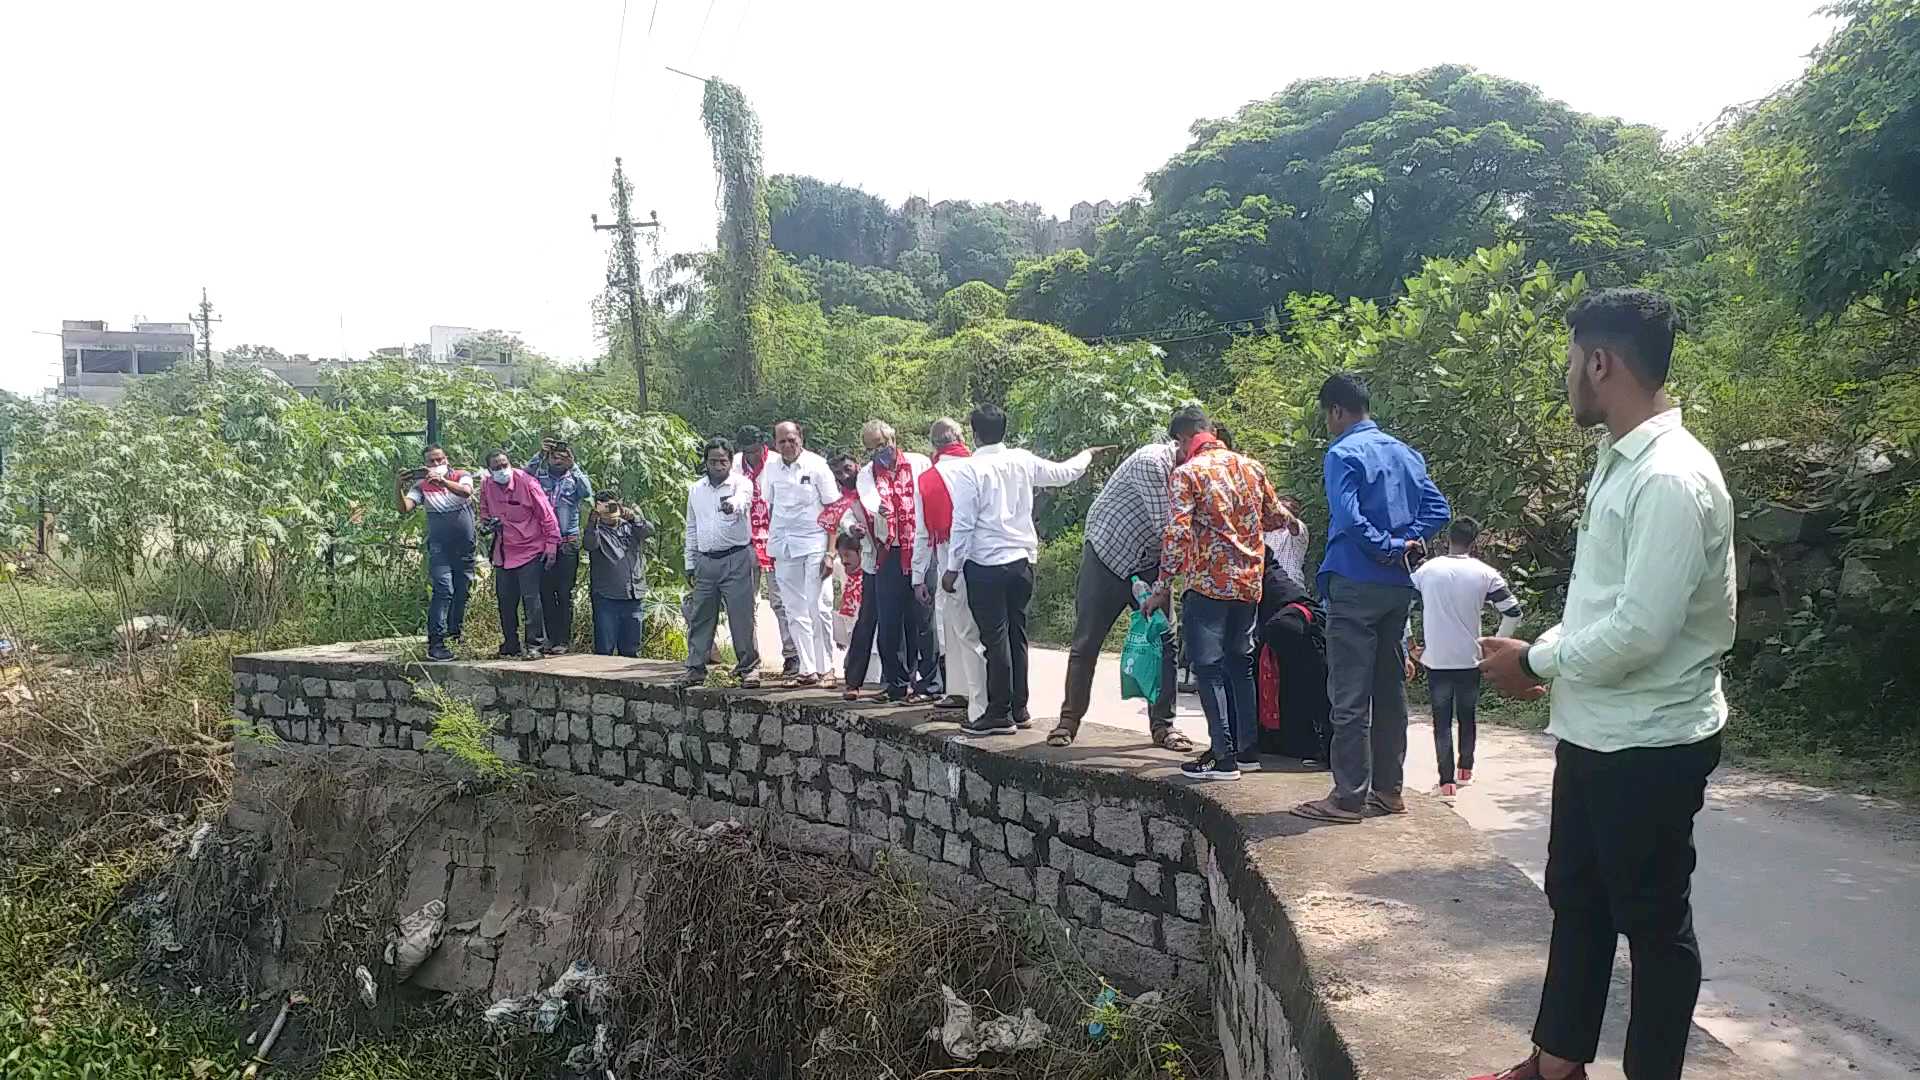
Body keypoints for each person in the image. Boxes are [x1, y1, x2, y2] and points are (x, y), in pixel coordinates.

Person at [1469, 289, 1733, 1080]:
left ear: (1599, 362)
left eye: (1571, 361)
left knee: (1653, 924)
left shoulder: (1669, 479)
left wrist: (1539, 663)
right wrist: (1540, 657)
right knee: (1577, 901)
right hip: (1595, 730)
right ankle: (1557, 1064)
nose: (1568, 378)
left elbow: (1643, 630)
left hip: (1651, 742)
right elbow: (1601, 604)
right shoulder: (1620, 465)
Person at [1292, 373, 1451, 824]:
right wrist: (1407, 543)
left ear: (1337, 411)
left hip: (1355, 580)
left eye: (1328, 414)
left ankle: (1347, 797)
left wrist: (1384, 545)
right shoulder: (1405, 452)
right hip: (1398, 587)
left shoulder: (1342, 453)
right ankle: (1389, 791)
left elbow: (1347, 516)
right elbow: (1439, 510)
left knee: (1349, 694)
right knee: (1390, 690)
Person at [1142, 418, 1298, 780]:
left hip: (1208, 585)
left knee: (1208, 668)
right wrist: (1284, 521)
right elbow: (1273, 516)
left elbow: (1178, 532)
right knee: (1239, 666)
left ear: (1185, 440)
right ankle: (1247, 752)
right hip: (1247, 584)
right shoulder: (1252, 467)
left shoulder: (1187, 474)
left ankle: (1222, 756)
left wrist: (1163, 583)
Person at [1054, 406, 1213, 750]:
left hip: (1152, 562)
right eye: (1197, 447)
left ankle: (1164, 726)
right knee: (1087, 641)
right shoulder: (1152, 463)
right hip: (1109, 555)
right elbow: (1169, 528)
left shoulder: (1201, 473)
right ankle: (1068, 721)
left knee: (1165, 642)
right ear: (1182, 441)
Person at [944, 404, 1100, 736]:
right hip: (1020, 561)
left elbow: (963, 523)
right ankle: (1019, 707)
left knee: (994, 638)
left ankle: (998, 711)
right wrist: (1086, 455)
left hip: (985, 563)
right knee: (1017, 634)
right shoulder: (1022, 460)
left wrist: (952, 567)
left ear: (974, 433)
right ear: (1004, 430)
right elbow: (1063, 473)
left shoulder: (969, 470)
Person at [1409, 516, 1525, 795]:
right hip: (1471, 657)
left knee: (1441, 721)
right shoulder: (1486, 573)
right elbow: (1513, 611)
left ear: (1449, 538)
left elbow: (1403, 607)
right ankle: (1466, 770)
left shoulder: (1426, 571)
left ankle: (1446, 781)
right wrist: (1496, 645)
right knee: (1467, 716)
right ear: (1473, 542)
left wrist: (1411, 644)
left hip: (1436, 658)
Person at [858, 420, 941, 703]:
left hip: (921, 547)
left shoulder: (918, 464)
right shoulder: (868, 474)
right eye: (873, 448)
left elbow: (932, 493)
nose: (881, 452)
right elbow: (870, 501)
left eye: (883, 445)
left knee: (923, 619)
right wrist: (882, 507)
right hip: (889, 551)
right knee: (890, 621)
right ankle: (897, 683)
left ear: (894, 439)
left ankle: (930, 684)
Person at [677, 437, 762, 689]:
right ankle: (695, 667)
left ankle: (748, 668)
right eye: (713, 461)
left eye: (723, 461)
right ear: (705, 462)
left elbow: (743, 502)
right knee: (701, 614)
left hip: (737, 557)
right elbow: (691, 527)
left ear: (730, 461)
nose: (718, 466)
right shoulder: (696, 489)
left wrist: (731, 506)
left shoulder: (741, 483)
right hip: (706, 560)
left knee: (742, 615)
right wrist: (690, 561)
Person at [912, 418, 982, 718]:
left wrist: (917, 577)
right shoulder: (979, 466)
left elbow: (923, 533)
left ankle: (963, 693)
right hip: (986, 556)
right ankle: (977, 693)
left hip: (949, 561)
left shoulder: (929, 478)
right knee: (982, 629)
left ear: (933, 445)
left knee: (955, 629)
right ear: (961, 438)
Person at [763, 421, 839, 687]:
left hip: (814, 545)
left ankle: (826, 668)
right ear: (775, 443)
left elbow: (833, 510)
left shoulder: (817, 465)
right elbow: (771, 507)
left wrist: (831, 552)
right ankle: (807, 669)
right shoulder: (770, 468)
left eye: (791, 439)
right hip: (784, 546)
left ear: (800, 438)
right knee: (794, 610)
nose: (787, 445)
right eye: (781, 441)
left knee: (818, 606)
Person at [477, 449, 561, 660]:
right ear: (489, 470)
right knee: (505, 600)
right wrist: (487, 524)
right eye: (496, 467)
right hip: (503, 551)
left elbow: (547, 515)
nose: (501, 470)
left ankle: (535, 645)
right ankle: (510, 644)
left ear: (510, 463)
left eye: (504, 465)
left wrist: (551, 545)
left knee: (531, 600)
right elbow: (484, 511)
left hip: (530, 549)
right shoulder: (487, 485)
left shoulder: (527, 483)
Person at [397, 444, 475, 663]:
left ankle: (455, 636)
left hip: (465, 547)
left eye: (439, 460)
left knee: (462, 591)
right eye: (431, 461)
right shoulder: (421, 486)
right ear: (425, 465)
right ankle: (436, 643)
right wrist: (398, 486)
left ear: (446, 459)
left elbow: (466, 492)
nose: (436, 464)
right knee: (443, 590)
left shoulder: (461, 475)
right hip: (440, 547)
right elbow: (404, 508)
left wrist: (442, 482)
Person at [733, 425, 800, 676]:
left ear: (763, 445)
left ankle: (792, 655)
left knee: (780, 601)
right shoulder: (735, 465)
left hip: (776, 539)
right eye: (747, 451)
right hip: (745, 540)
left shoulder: (775, 462)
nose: (752, 456)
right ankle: (750, 659)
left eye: (755, 450)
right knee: (746, 603)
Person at [526, 438, 593, 655]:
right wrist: (540, 454)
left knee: (564, 593)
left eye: (562, 457)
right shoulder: (540, 477)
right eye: (554, 456)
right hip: (543, 543)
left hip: (567, 543)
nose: (558, 460)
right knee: (545, 592)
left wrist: (574, 465)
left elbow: (587, 492)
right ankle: (549, 638)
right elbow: (524, 477)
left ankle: (563, 640)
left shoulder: (574, 479)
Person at [821, 450, 879, 696]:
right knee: (865, 622)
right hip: (869, 561)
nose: (845, 476)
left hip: (893, 556)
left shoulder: (872, 484)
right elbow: (841, 520)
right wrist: (851, 528)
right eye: (838, 473)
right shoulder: (841, 498)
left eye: (847, 469)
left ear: (857, 464)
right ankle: (854, 681)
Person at [584, 492, 656, 658]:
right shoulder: (596, 530)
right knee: (604, 650)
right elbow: (589, 544)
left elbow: (649, 531)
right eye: (604, 506)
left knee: (631, 650)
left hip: (633, 595)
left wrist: (634, 517)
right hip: (606, 597)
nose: (610, 509)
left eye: (612, 505)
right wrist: (593, 521)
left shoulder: (630, 526)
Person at [1266, 493, 1311, 587]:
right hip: (1270, 586)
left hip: (1291, 584)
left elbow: (1293, 524)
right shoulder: (1268, 532)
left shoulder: (1300, 529)